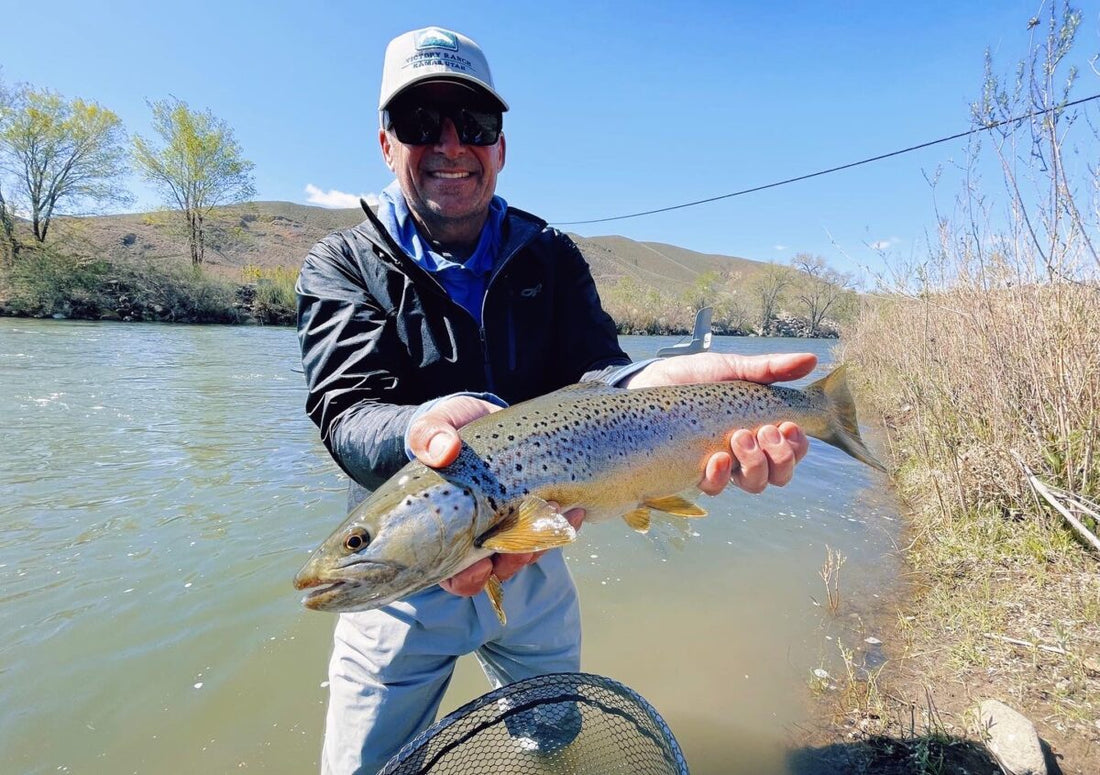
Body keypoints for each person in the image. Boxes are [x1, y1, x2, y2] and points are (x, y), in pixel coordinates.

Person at [296, 26, 814, 775]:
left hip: (535, 549)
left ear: (500, 146)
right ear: (386, 144)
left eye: (473, 125)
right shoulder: (343, 264)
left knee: (556, 740)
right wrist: (419, 427)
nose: (450, 145)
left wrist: (675, 402)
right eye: (420, 125)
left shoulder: (551, 255)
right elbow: (346, 411)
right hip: (403, 582)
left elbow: (604, 375)